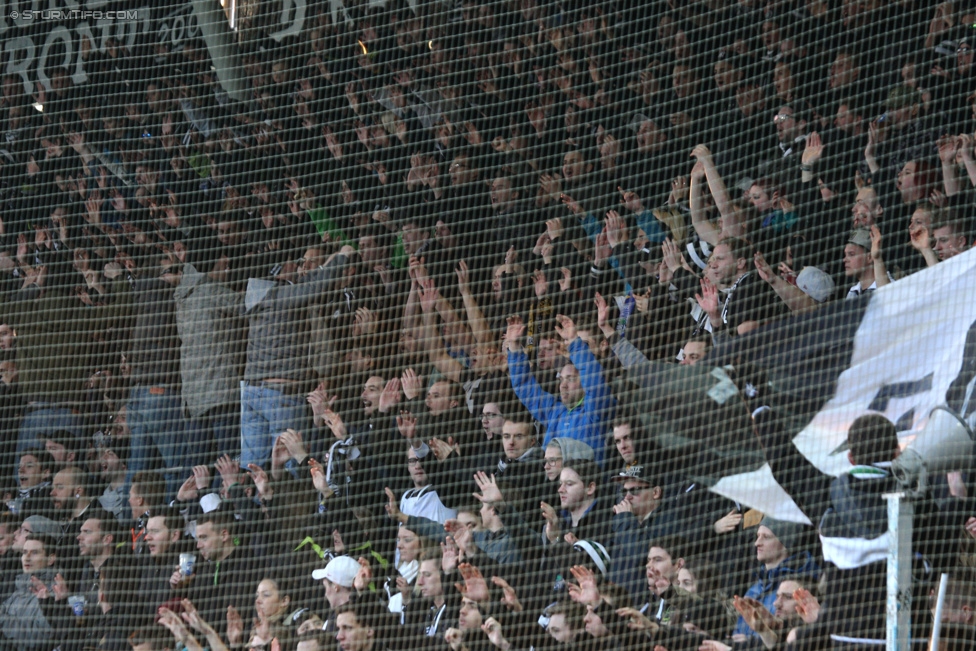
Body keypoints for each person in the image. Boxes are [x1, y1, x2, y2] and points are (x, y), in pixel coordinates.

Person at [505, 314, 614, 465]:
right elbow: (524, 386)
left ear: (584, 382)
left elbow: (595, 382)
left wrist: (575, 343)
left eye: (570, 379)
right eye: (561, 379)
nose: (563, 385)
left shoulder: (595, 411)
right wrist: (514, 347)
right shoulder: (554, 411)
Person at [731, 517, 819, 641]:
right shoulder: (754, 588)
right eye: (757, 536)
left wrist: (749, 644)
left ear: (785, 544)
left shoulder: (797, 586)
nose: (757, 543)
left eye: (766, 537)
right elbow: (737, 631)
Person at [0, 533, 59, 651]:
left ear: (50, 559)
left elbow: (39, 637)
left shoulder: (54, 593)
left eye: (35, 552)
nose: (27, 557)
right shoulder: (21, 587)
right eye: (24, 552)